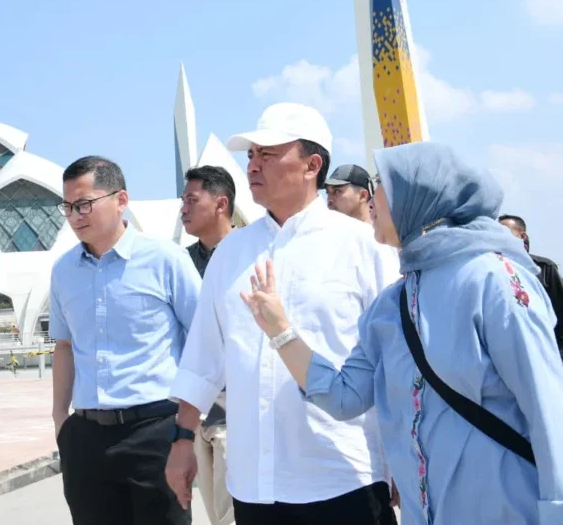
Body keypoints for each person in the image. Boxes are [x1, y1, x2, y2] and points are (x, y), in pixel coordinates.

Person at [239, 141, 563, 525]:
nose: (371, 199)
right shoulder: (391, 304)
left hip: (506, 510)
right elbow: (344, 397)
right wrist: (281, 331)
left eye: (381, 184)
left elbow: (547, 407)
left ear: (421, 193)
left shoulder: (492, 279)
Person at [165, 102, 400, 525]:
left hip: (343, 475)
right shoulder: (230, 254)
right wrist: (182, 440)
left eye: (268, 154)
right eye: (251, 155)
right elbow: (204, 358)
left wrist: (404, 454)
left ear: (312, 165)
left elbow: (394, 361)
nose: (253, 165)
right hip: (255, 483)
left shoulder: (364, 246)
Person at [51, 155, 202, 525]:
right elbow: (64, 346)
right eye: (68, 207)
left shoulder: (165, 259)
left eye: (84, 204)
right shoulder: (63, 271)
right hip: (86, 438)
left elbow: (203, 341)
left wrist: (186, 429)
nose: (75, 216)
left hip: (155, 432)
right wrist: (60, 420)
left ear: (121, 200)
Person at [180, 165, 236, 525]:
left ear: (220, 204)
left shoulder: (249, 255)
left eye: (191, 199)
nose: (183, 209)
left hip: (236, 410)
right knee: (216, 517)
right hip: (196, 410)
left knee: (237, 515)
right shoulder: (180, 262)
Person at [500, 215, 563, 355]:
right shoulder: (493, 268)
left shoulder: (545, 268)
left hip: (544, 352)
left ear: (522, 236)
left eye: (505, 232)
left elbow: (560, 313)